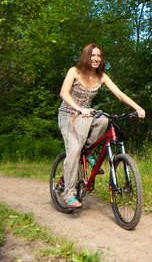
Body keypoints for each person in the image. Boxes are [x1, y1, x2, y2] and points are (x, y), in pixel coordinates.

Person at [58, 43, 145, 208]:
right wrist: (78, 109)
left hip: (85, 113)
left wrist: (137, 107)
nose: (96, 58)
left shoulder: (102, 76)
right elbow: (64, 93)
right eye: (92, 55)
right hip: (68, 114)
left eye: (99, 56)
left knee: (105, 119)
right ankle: (68, 193)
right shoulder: (74, 71)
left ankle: (89, 151)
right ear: (86, 56)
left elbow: (119, 93)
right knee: (75, 150)